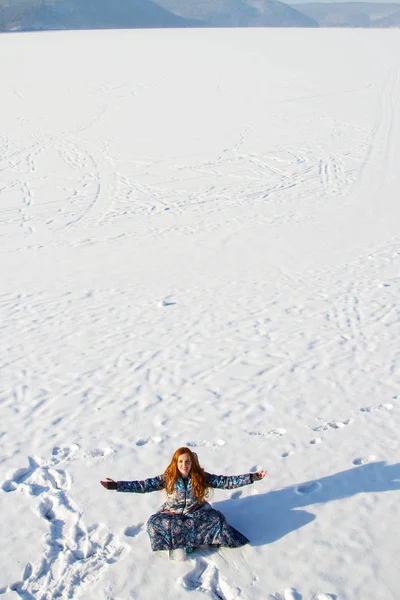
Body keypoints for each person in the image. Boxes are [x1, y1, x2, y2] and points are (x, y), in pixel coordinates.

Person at [101, 446, 266, 560]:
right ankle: (188, 544)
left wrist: (252, 477)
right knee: (154, 523)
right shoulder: (168, 478)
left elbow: (226, 481)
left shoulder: (201, 476)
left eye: (187, 462)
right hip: (173, 515)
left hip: (196, 513)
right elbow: (143, 485)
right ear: (176, 462)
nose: (184, 465)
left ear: (192, 463)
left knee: (217, 520)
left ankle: (189, 542)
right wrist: (117, 485)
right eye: (181, 462)